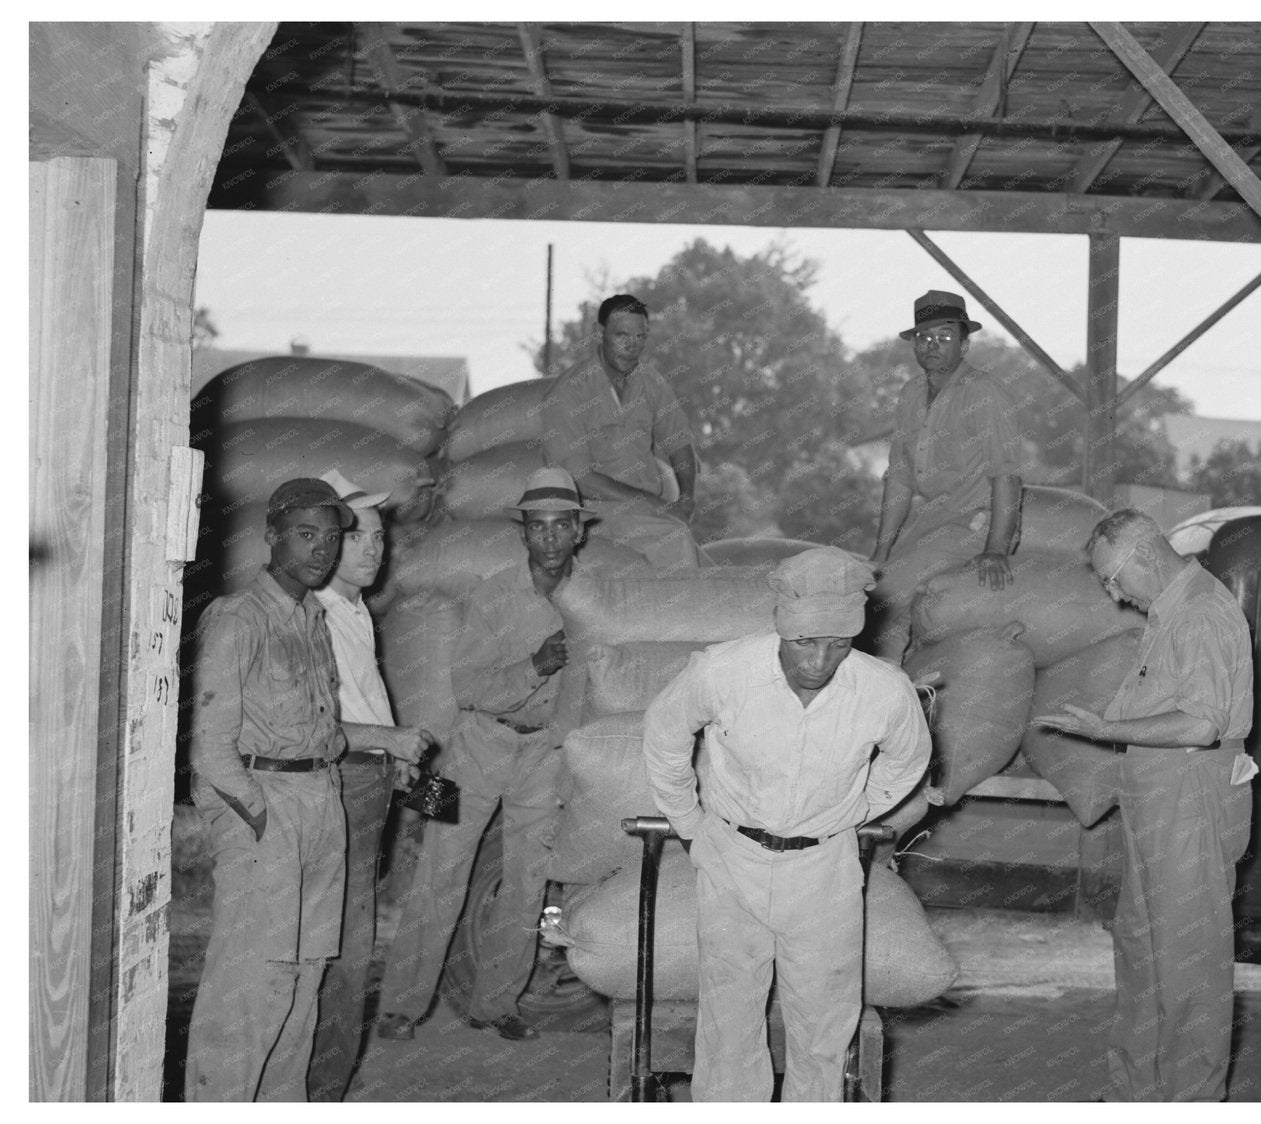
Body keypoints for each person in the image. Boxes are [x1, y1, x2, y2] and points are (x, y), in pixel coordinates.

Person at [642, 547, 932, 1101]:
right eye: (805, 642)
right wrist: (689, 823)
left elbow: (908, 761)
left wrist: (852, 811)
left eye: (838, 644)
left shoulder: (884, 690)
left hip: (824, 870)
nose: (819, 662)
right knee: (728, 1024)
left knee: (823, 1029)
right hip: (731, 859)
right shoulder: (723, 671)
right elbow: (664, 734)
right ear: (780, 623)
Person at [1033, 508, 1256, 1102]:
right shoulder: (1171, 613)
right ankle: (1135, 1094)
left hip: (1191, 793)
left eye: (1112, 578)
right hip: (1159, 795)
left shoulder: (1202, 614)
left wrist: (1107, 729)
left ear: (1147, 556)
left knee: (1189, 961)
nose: (1112, 593)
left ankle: (1189, 1102)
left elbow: (1202, 723)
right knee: (1141, 948)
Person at [376, 467, 594, 1043]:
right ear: (523, 533)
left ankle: (496, 1004)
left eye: (561, 526)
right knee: (435, 875)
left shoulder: (596, 599)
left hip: (545, 755)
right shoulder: (492, 593)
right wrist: (536, 665)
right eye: (537, 527)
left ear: (579, 531)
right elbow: (467, 688)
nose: (549, 539)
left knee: (527, 883)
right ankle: (401, 1006)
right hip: (471, 746)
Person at [184, 478, 354, 1101]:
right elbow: (210, 745)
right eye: (307, 535)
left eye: (332, 538)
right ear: (272, 536)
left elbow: (319, 726)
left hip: (319, 802)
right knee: (250, 983)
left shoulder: (313, 617)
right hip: (266, 807)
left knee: (304, 981)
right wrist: (256, 817)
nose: (322, 551)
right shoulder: (238, 617)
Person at [307, 470, 434, 1101]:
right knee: (343, 952)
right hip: (341, 786)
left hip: (370, 783)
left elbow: (358, 700)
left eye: (379, 537)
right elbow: (311, 724)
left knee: (353, 943)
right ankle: (318, 1090)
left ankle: (327, 1082)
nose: (372, 549)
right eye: (356, 537)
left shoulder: (355, 610)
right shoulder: (316, 616)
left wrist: (396, 754)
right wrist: (387, 742)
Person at [869, 290, 1025, 661]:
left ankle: (882, 678)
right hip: (933, 519)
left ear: (965, 344)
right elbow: (901, 478)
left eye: (944, 336)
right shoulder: (910, 394)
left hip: (975, 520)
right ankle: (899, 675)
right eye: (924, 337)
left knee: (886, 596)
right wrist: (880, 551)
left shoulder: (983, 392)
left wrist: (995, 549)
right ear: (913, 346)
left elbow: (1007, 475)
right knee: (877, 581)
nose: (932, 345)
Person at [540, 292, 702, 569]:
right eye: (622, 336)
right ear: (599, 333)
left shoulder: (650, 381)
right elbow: (579, 478)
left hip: (649, 513)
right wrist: (652, 504)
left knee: (711, 567)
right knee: (675, 540)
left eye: (640, 337)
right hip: (594, 512)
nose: (632, 346)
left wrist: (686, 498)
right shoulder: (569, 392)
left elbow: (679, 441)